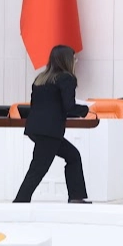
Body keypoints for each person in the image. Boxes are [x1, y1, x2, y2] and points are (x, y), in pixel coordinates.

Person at [13, 45, 92, 204]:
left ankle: (76, 196)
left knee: (72, 156)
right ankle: (20, 201)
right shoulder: (67, 78)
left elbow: (39, 104)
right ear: (67, 60)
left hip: (36, 128)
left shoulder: (41, 79)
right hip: (50, 131)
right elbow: (68, 106)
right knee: (38, 168)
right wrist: (86, 110)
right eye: (74, 58)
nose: (75, 61)